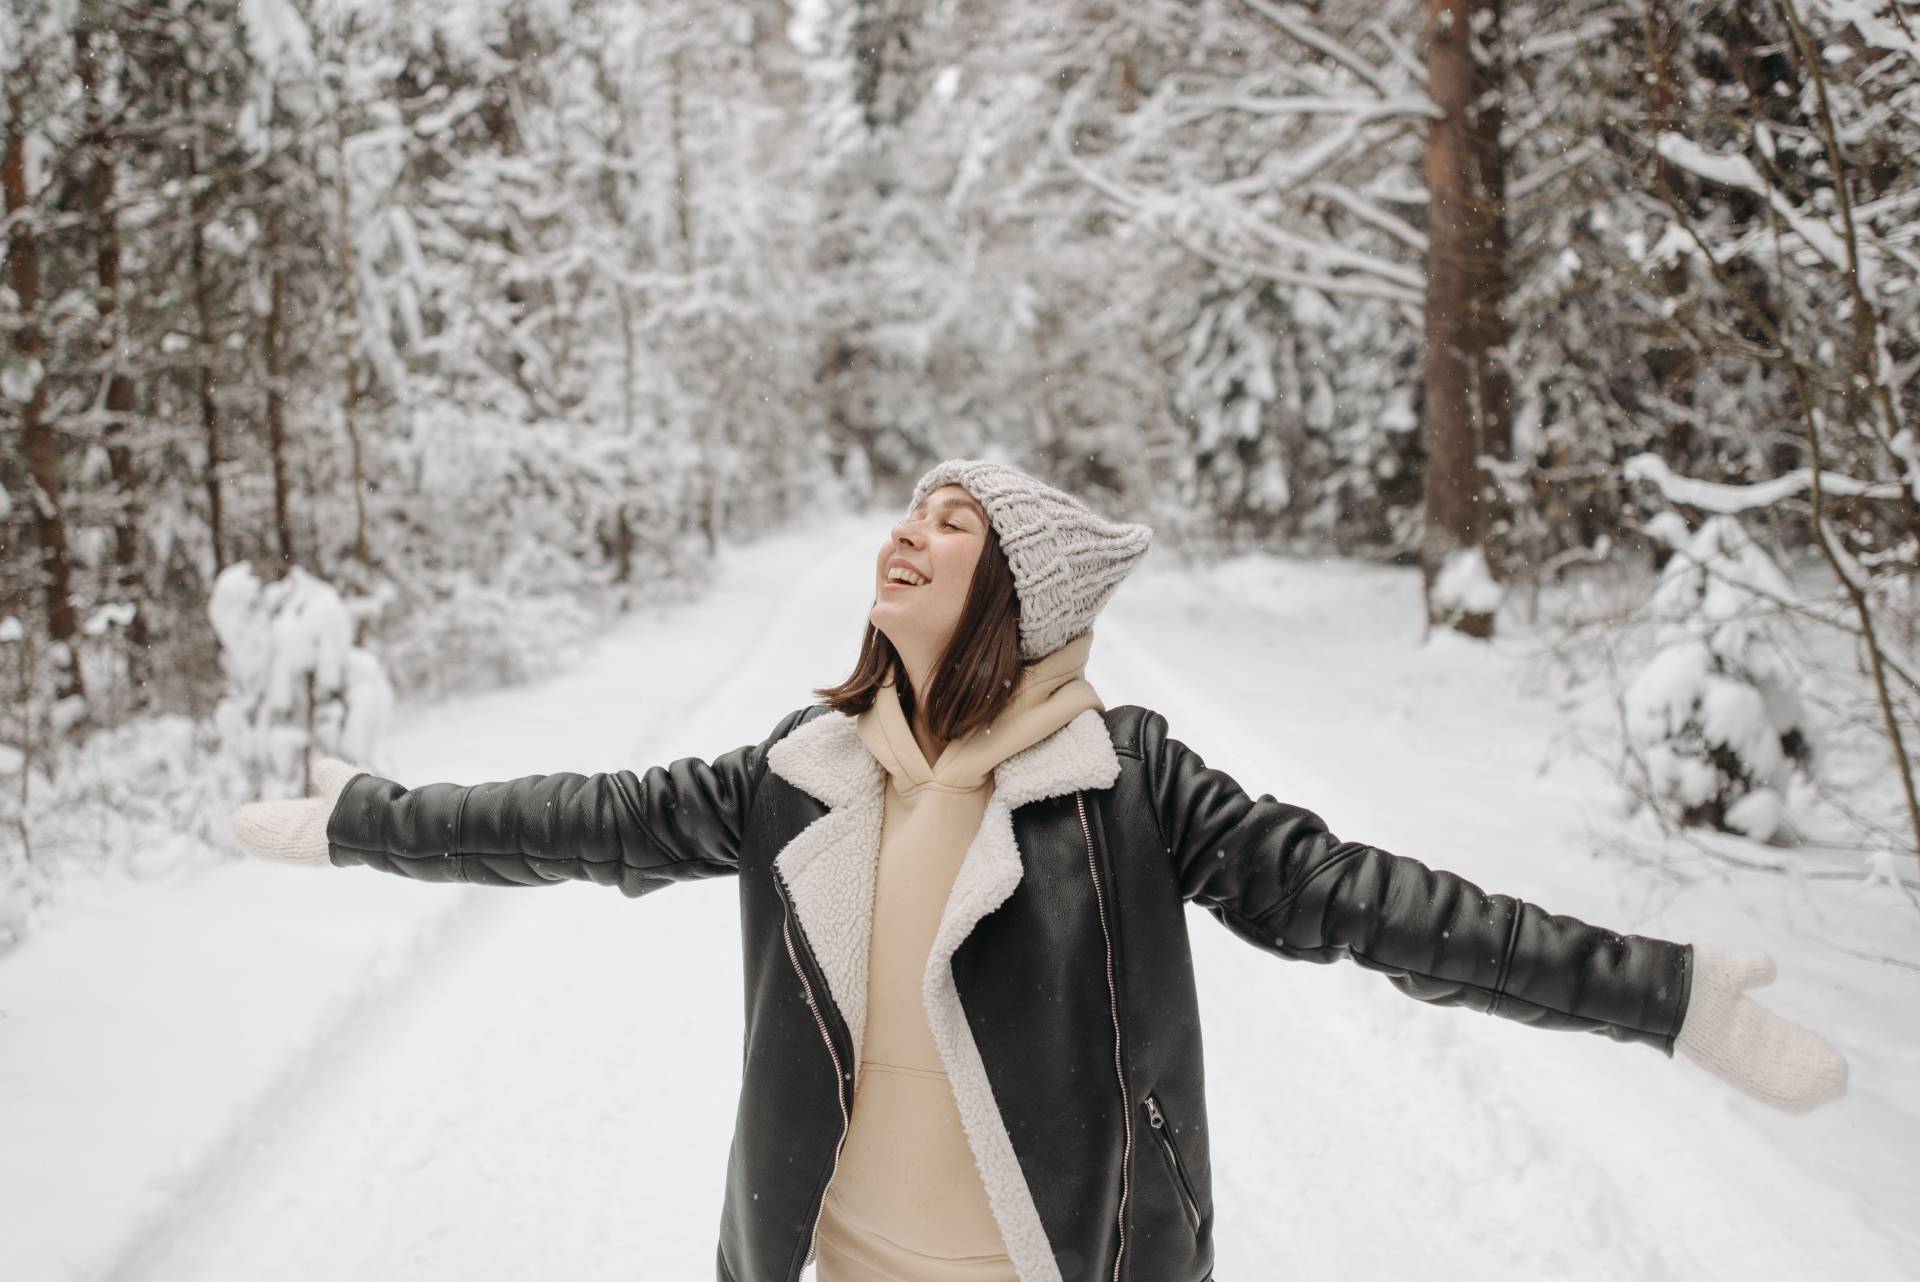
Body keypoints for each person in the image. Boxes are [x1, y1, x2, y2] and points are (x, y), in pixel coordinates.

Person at [231, 457, 1849, 1282]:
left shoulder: (1128, 784)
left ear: (1022, 591)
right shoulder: (797, 778)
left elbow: (1386, 905)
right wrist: (370, 813)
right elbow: (568, 819)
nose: (910, 535)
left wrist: (1667, 995)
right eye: (910, 512)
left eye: (958, 522)